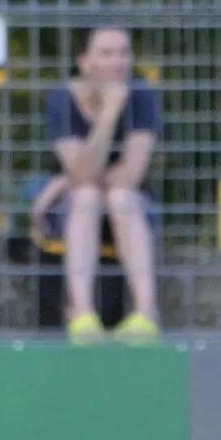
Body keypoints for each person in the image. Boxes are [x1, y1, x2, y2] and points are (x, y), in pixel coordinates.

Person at [37, 26, 162, 344]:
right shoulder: (61, 99)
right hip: (76, 206)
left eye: (123, 53)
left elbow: (132, 173)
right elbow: (80, 176)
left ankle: (145, 315)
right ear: (84, 61)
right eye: (106, 53)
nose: (118, 62)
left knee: (119, 196)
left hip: (130, 205)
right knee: (87, 196)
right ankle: (82, 315)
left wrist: (62, 182)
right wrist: (107, 115)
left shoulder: (143, 94)